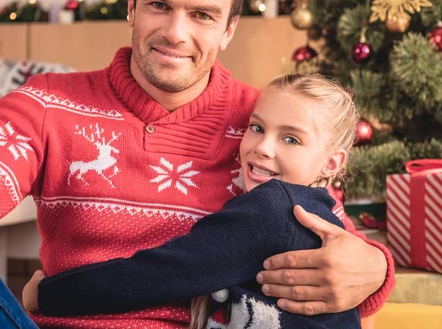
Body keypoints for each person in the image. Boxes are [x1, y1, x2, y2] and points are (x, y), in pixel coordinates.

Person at [0, 0, 394, 328]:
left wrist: (375, 267)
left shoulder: (262, 126)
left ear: (229, 29)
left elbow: (329, 236)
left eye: (202, 15)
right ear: (132, 7)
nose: (176, 32)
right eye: (159, 5)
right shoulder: (46, 105)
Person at [21, 73, 363, 329]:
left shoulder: (272, 209)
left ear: (332, 163)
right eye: (257, 128)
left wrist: (49, 295)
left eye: (291, 139)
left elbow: (158, 274)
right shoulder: (318, 209)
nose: (263, 147)